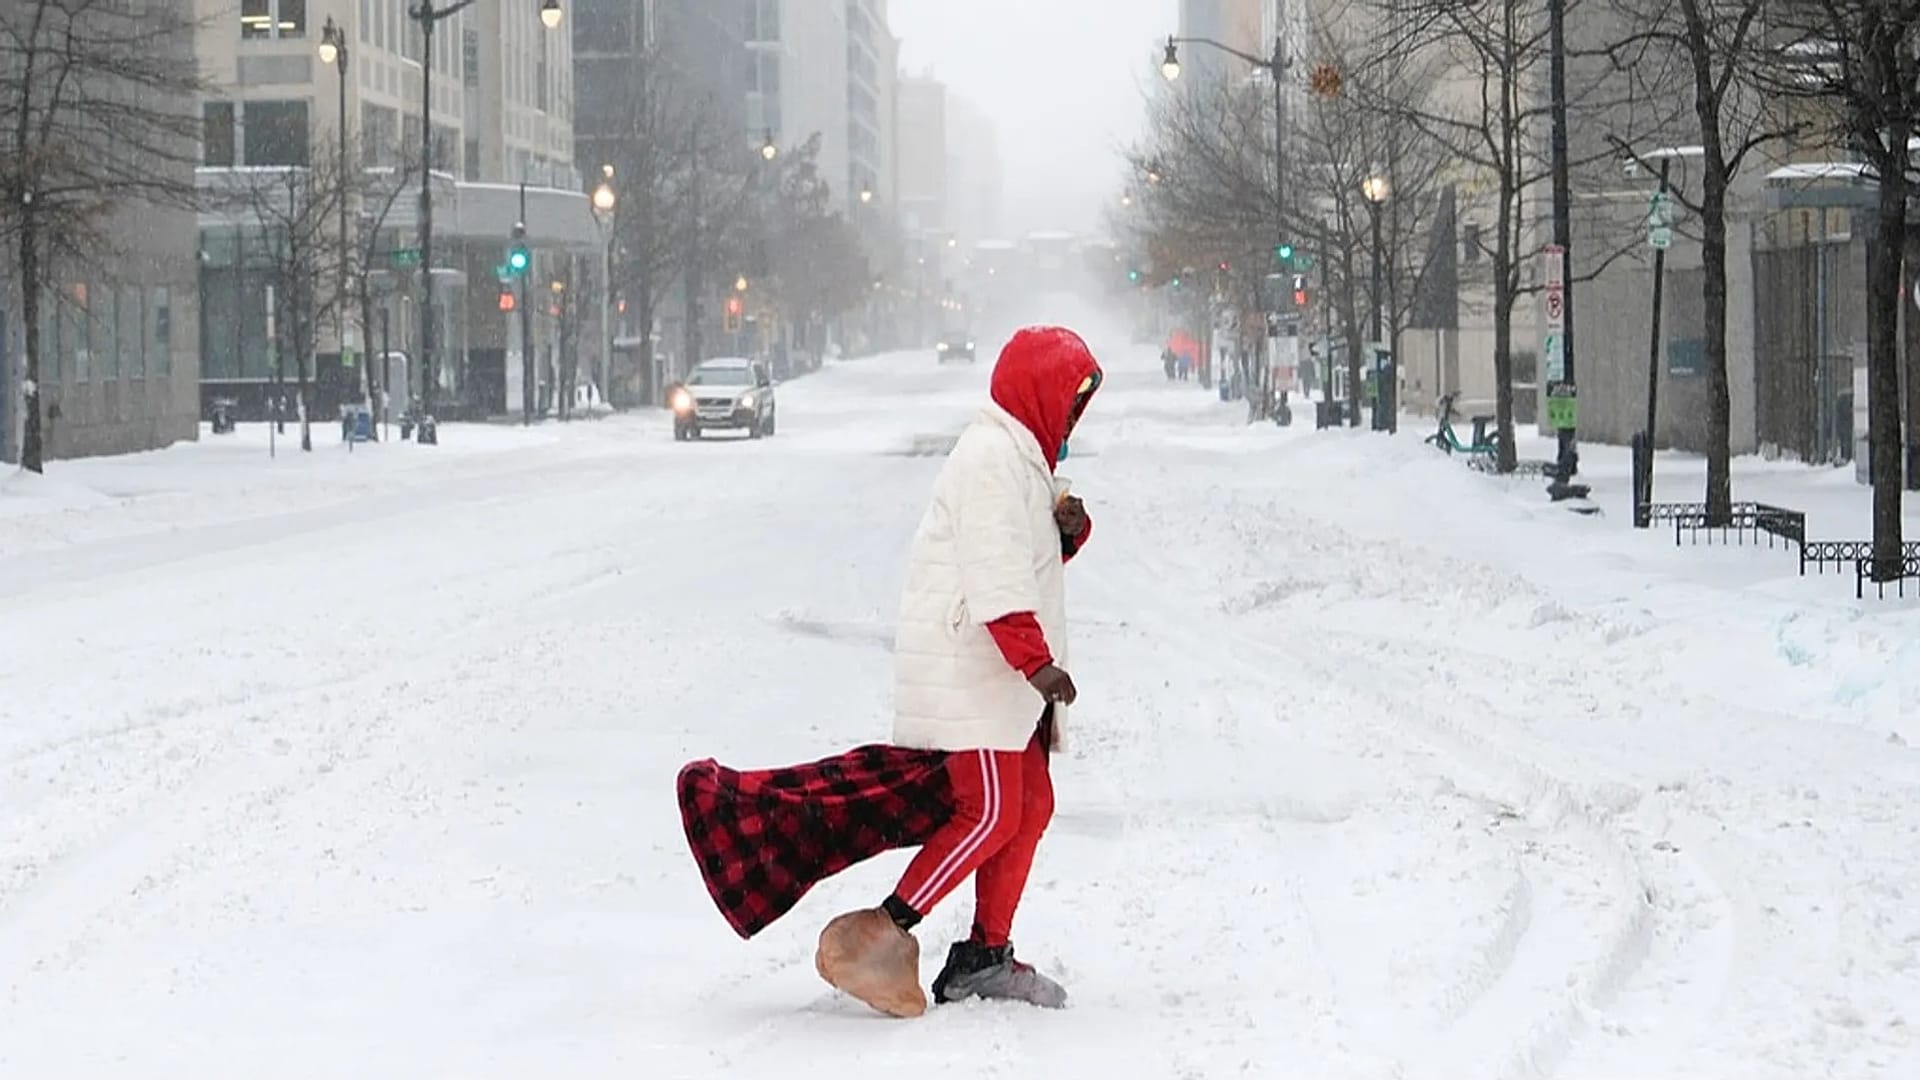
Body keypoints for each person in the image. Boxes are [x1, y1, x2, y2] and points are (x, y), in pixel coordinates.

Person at [675, 326, 1102, 1019]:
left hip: (1001, 674)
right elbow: (995, 580)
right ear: (1038, 390)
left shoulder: (1021, 460)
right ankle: (882, 931)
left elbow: (1020, 555)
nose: (1073, 415)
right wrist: (1038, 663)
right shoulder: (992, 458)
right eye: (1070, 397)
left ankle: (984, 956)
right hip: (978, 669)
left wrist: (1063, 534)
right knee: (990, 810)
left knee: (1030, 805)